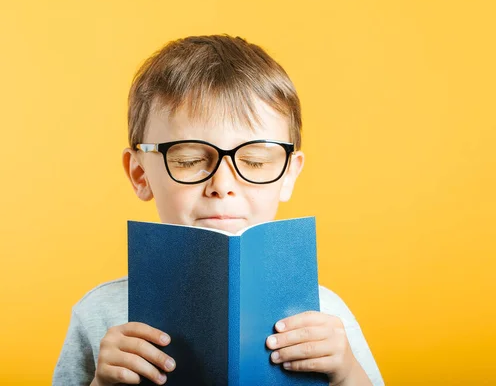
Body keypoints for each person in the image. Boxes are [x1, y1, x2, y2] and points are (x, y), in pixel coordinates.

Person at [53, 35, 384, 386]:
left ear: (288, 174)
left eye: (255, 162)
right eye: (190, 159)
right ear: (140, 174)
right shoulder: (98, 313)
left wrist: (347, 372)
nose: (222, 184)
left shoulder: (326, 316)